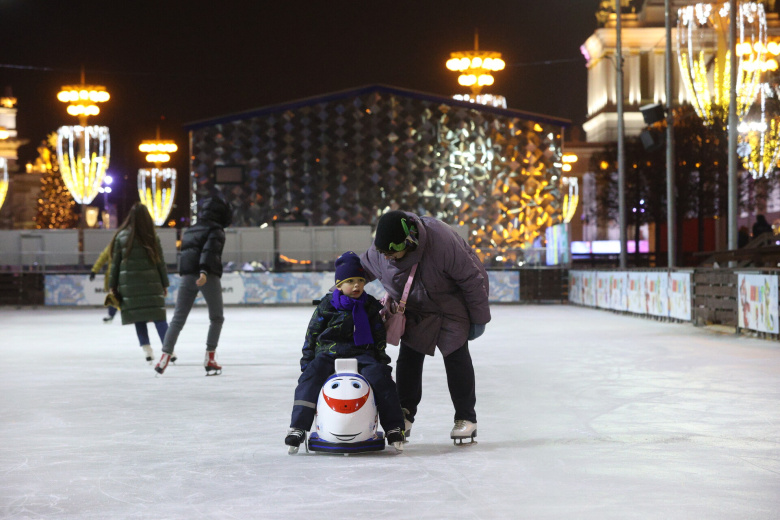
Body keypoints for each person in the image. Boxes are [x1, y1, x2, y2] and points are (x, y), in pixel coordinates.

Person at [360, 210, 491, 444]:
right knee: (409, 358)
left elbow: (471, 278)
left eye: (391, 252)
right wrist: (338, 289)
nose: (387, 258)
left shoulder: (441, 240)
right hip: (414, 308)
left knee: (457, 357)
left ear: (407, 242)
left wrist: (479, 318)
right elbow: (360, 269)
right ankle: (404, 413)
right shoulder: (382, 250)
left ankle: (466, 418)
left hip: (450, 306)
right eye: (383, 253)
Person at [284, 251, 406, 452]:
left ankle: (394, 427)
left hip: (362, 353)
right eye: (350, 281)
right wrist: (307, 361)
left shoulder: (369, 305)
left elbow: (378, 335)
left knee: (382, 379)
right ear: (339, 285)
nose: (357, 285)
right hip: (328, 353)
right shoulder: (327, 305)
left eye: (360, 280)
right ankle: (298, 427)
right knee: (310, 378)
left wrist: (381, 361)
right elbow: (312, 334)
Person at [154, 196, 231, 376]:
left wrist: (187, 274)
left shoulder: (190, 230)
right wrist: (204, 271)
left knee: (178, 318)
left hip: (187, 276)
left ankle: (164, 357)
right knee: (217, 317)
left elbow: (186, 255)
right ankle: (210, 358)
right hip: (207, 275)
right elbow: (209, 251)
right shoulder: (216, 230)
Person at [108, 203, 170, 364]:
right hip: (152, 284)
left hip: (130, 286)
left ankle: (147, 349)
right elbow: (160, 263)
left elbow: (115, 264)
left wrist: (112, 285)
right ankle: (169, 349)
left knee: (139, 317)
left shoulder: (121, 237)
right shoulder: (152, 237)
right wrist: (165, 284)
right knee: (159, 317)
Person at [90, 242, 117, 323]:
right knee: (113, 295)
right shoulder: (111, 246)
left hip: (124, 275)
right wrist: (94, 271)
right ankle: (111, 315)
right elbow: (102, 258)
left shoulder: (129, 245)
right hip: (113, 276)